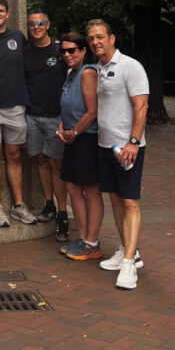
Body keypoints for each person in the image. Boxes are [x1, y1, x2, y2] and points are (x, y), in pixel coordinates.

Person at [87, 19, 149, 290]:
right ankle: (128, 250)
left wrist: (133, 142)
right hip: (105, 147)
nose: (95, 42)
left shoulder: (130, 66)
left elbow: (142, 106)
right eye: (91, 38)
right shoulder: (99, 69)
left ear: (112, 38)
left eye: (100, 37)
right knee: (115, 199)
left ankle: (129, 264)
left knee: (130, 203)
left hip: (127, 148)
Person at [0, 0, 37, 227]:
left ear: (8, 14)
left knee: (14, 156)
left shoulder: (17, 37)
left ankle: (19, 205)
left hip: (15, 106)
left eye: (1, 10)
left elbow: (31, 66)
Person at [56, 33, 104, 261]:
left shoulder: (88, 73)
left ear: (84, 50)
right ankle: (84, 238)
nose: (67, 55)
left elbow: (92, 111)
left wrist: (75, 132)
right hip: (72, 138)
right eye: (64, 51)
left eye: (72, 50)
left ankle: (93, 243)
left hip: (86, 138)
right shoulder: (70, 74)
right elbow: (67, 106)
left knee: (90, 190)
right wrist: (62, 126)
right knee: (72, 188)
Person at [23, 9, 69, 241]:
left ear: (48, 24)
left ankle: (63, 213)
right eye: (32, 24)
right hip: (32, 115)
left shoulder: (60, 51)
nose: (36, 27)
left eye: (40, 23)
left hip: (55, 116)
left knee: (56, 165)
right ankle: (49, 204)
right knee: (41, 159)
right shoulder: (26, 52)